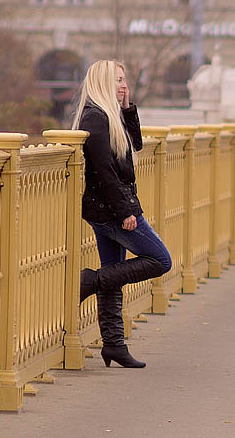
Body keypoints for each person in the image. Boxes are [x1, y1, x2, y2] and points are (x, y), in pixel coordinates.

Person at [72, 60, 172, 368]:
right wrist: (125, 211)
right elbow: (103, 171)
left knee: (114, 274)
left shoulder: (109, 115)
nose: (122, 85)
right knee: (160, 260)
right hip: (112, 210)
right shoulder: (95, 118)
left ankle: (114, 345)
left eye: (124, 80)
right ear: (102, 82)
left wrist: (127, 107)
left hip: (109, 208)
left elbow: (136, 144)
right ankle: (90, 280)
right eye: (117, 80)